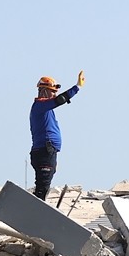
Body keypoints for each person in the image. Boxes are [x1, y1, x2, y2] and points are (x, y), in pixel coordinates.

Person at [29, 71, 85, 200]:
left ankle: (37, 207)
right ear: (43, 90)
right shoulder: (40, 105)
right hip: (44, 151)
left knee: (44, 185)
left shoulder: (45, 108)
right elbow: (60, 100)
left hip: (47, 151)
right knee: (42, 187)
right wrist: (77, 87)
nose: (54, 94)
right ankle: (35, 211)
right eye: (52, 91)